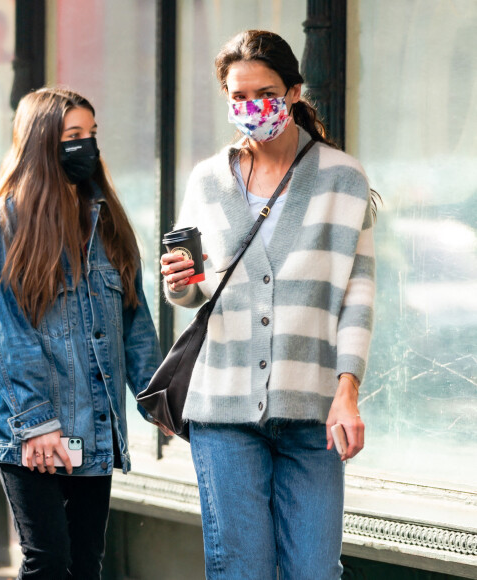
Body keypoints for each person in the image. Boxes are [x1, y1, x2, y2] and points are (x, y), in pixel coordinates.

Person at [160, 30, 377, 579]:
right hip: (223, 410)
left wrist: (347, 390)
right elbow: (193, 291)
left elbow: (358, 295)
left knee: (314, 571)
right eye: (237, 97)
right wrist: (180, 282)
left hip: (313, 412)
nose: (250, 107)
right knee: (242, 571)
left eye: (264, 93)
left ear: (295, 92)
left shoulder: (342, 178)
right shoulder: (208, 180)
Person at [0, 87, 162, 579]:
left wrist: (159, 401)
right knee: (48, 560)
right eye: (72, 136)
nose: (87, 146)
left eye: (91, 134)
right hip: (31, 427)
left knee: (85, 564)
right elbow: (6, 331)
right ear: (40, 143)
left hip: (95, 425)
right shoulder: (7, 220)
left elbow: (134, 320)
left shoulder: (108, 219)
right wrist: (38, 423)